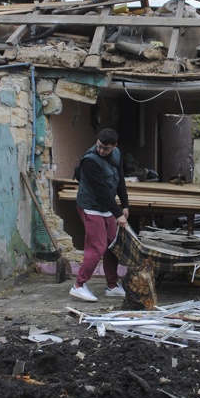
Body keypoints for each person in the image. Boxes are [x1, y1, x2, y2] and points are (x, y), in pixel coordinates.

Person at [70, 128, 130, 302]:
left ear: (114, 146)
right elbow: (102, 191)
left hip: (106, 207)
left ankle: (112, 285)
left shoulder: (116, 154)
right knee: (98, 246)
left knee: (113, 244)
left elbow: (120, 178)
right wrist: (118, 213)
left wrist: (125, 204)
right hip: (91, 206)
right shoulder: (90, 161)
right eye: (100, 146)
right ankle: (79, 285)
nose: (102, 151)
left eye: (106, 148)